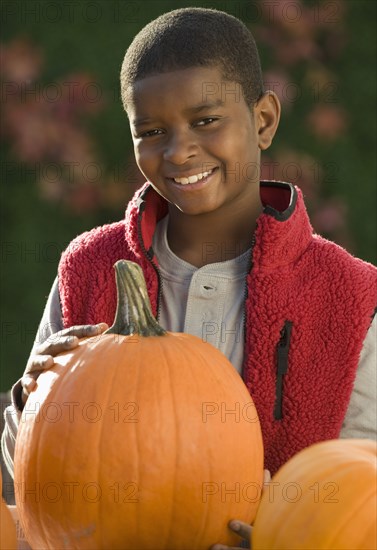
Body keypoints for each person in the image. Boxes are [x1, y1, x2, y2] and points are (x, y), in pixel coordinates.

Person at [2, 7, 376, 549]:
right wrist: (29, 399)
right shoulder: (88, 269)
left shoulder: (351, 297)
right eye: (152, 131)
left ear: (264, 121)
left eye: (206, 121)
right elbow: (27, 477)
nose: (179, 151)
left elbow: (362, 492)